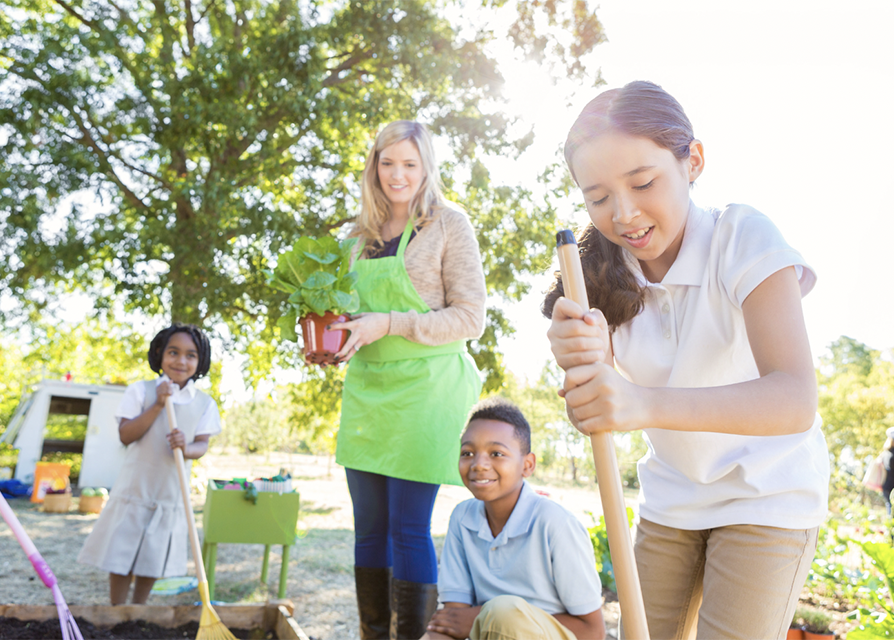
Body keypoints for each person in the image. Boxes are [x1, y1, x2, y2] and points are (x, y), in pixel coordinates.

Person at [544, 81, 829, 640]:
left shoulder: (743, 236)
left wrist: (640, 402)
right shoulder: (599, 277)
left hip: (767, 495)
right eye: (598, 198)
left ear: (692, 161)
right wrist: (584, 374)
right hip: (673, 497)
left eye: (644, 182)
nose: (623, 214)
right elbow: (596, 413)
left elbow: (795, 399)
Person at [330, 120, 486, 640]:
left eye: (410, 164)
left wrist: (389, 324)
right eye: (387, 162)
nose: (398, 175)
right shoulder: (355, 237)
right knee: (368, 532)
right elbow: (347, 313)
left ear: (427, 169)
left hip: (425, 390)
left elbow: (470, 318)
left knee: (407, 530)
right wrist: (333, 340)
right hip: (368, 391)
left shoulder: (448, 225)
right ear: (374, 165)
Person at [424, 398, 605, 640]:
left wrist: (484, 617)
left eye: (496, 453)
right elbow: (453, 621)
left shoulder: (555, 524)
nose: (478, 464)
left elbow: (593, 631)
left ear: (527, 465)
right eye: (467, 453)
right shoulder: (462, 518)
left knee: (503, 613)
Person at [78, 323, 221, 605]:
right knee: (121, 554)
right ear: (159, 354)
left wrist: (186, 446)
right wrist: (157, 405)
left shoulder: (205, 404)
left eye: (191, 355)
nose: (181, 361)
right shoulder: (141, 391)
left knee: (152, 557)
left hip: (169, 492)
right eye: (173, 352)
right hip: (135, 487)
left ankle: (139, 610)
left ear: (200, 360)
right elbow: (126, 435)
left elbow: (201, 445)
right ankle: (117, 610)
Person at [880, 427, 894, 515]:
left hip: (886, 485)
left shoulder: (885, 453)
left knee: (889, 507)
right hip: (891, 485)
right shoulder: (891, 454)